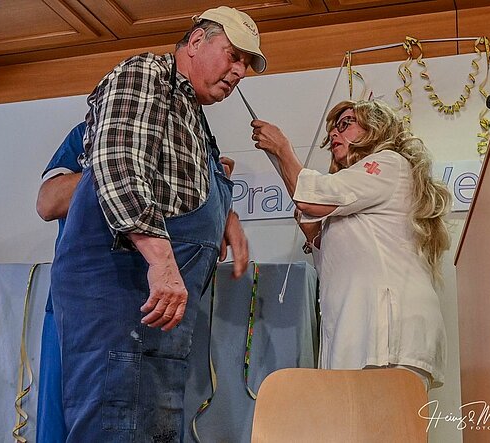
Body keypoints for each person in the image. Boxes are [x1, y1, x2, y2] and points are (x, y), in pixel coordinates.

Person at [50, 6, 263, 441]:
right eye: (234, 55)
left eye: (246, 64)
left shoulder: (194, 118)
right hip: (121, 298)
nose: (239, 71)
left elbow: (176, 190)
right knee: (114, 428)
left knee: (151, 430)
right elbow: (119, 164)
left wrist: (224, 215)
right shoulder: (147, 73)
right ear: (197, 41)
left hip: (157, 318)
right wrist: (163, 263)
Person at [251, 99, 451, 390]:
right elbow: (336, 251)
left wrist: (282, 148)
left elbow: (310, 198)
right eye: (333, 129)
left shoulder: (389, 163)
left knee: (384, 418)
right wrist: (313, 235)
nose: (335, 133)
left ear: (376, 128)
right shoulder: (358, 194)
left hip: (385, 337)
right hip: (364, 336)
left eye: (346, 124)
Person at [35, 122, 85, 443]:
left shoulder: (188, 139)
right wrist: (115, 165)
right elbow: (48, 202)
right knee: (57, 425)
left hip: (147, 307)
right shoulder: (87, 132)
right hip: (71, 306)